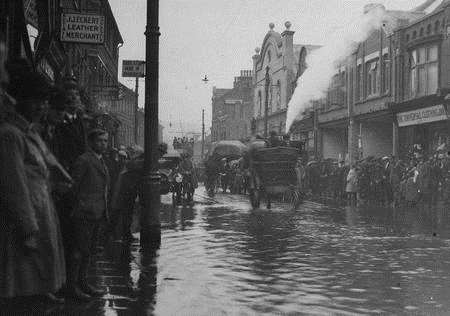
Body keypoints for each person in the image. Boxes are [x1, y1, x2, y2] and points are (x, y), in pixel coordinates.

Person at [0, 65, 68, 303]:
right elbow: (14, 188)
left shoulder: (29, 133)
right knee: (24, 293)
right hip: (25, 229)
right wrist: (28, 229)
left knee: (37, 291)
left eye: (43, 101)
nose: (41, 107)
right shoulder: (11, 135)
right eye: (34, 101)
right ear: (19, 101)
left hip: (41, 220)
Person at [68, 129, 110, 300]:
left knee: (88, 251)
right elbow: (73, 186)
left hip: (97, 212)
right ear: (91, 142)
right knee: (78, 251)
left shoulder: (100, 161)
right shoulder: (84, 160)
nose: (103, 144)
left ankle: (83, 283)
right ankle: (72, 287)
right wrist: (81, 205)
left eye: (105, 141)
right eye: (99, 141)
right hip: (84, 213)